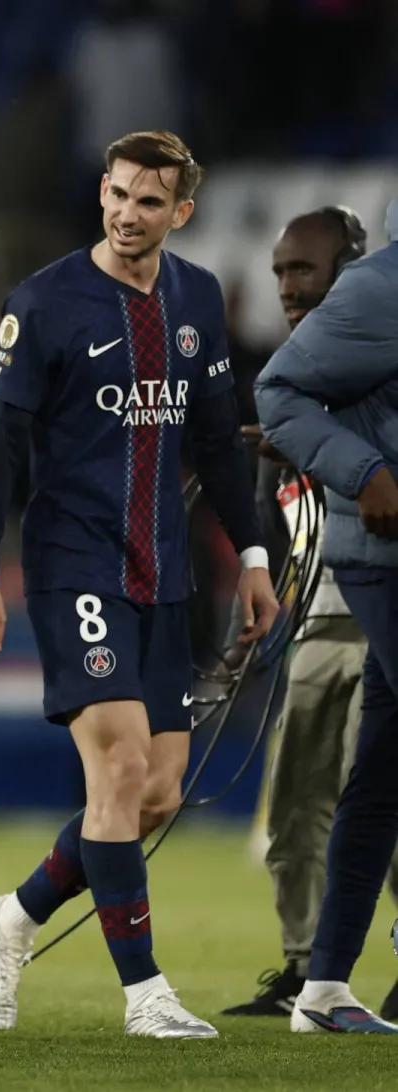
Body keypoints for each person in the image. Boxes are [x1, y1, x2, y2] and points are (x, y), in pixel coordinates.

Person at [0, 130, 278, 1039]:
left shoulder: (196, 297)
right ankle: (146, 995)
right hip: (76, 566)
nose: (128, 214)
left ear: (181, 213)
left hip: (164, 572)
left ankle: (11, 917)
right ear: (100, 190)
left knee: (158, 794)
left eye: (150, 202)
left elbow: (217, 444)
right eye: (118, 194)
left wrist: (251, 559)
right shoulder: (47, 301)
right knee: (121, 768)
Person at [225, 208, 398, 1020]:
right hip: (342, 596)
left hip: (365, 595)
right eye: (281, 273)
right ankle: (309, 970)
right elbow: (280, 396)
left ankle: (333, 978)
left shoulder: (364, 314)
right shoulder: (362, 308)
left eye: (305, 270)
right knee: (308, 796)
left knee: (375, 783)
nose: (291, 288)